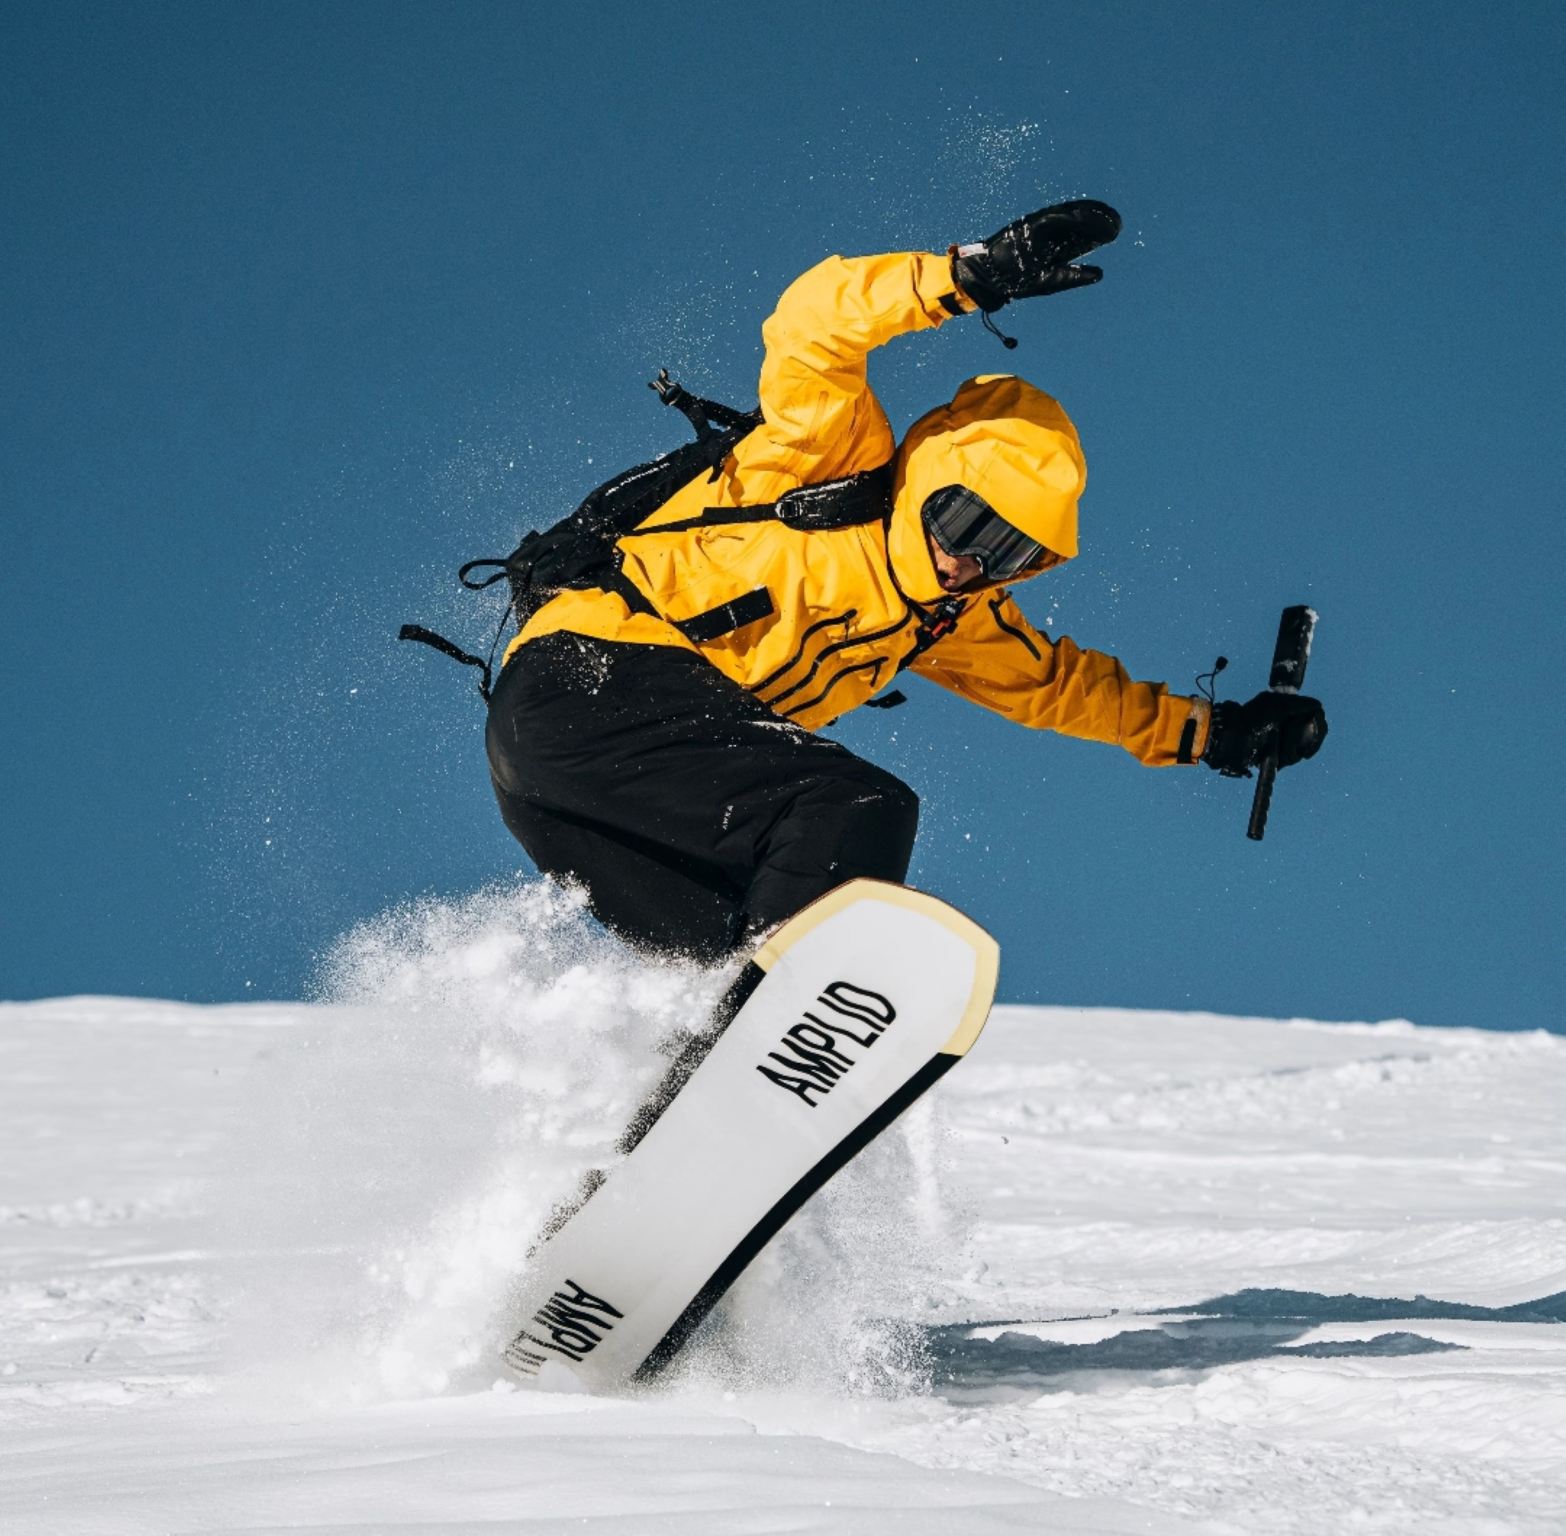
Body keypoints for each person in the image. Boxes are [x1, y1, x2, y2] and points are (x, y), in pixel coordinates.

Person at [484, 200, 1327, 966]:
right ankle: (772, 1017)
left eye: (1009, 555)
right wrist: (962, 277)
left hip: (583, 797)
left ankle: (690, 1109)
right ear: (928, 477)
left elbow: (1062, 688)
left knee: (745, 940)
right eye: (964, 523)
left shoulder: (950, 621)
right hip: (587, 680)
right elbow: (814, 322)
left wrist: (1215, 733)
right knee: (857, 813)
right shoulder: (828, 455)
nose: (970, 564)